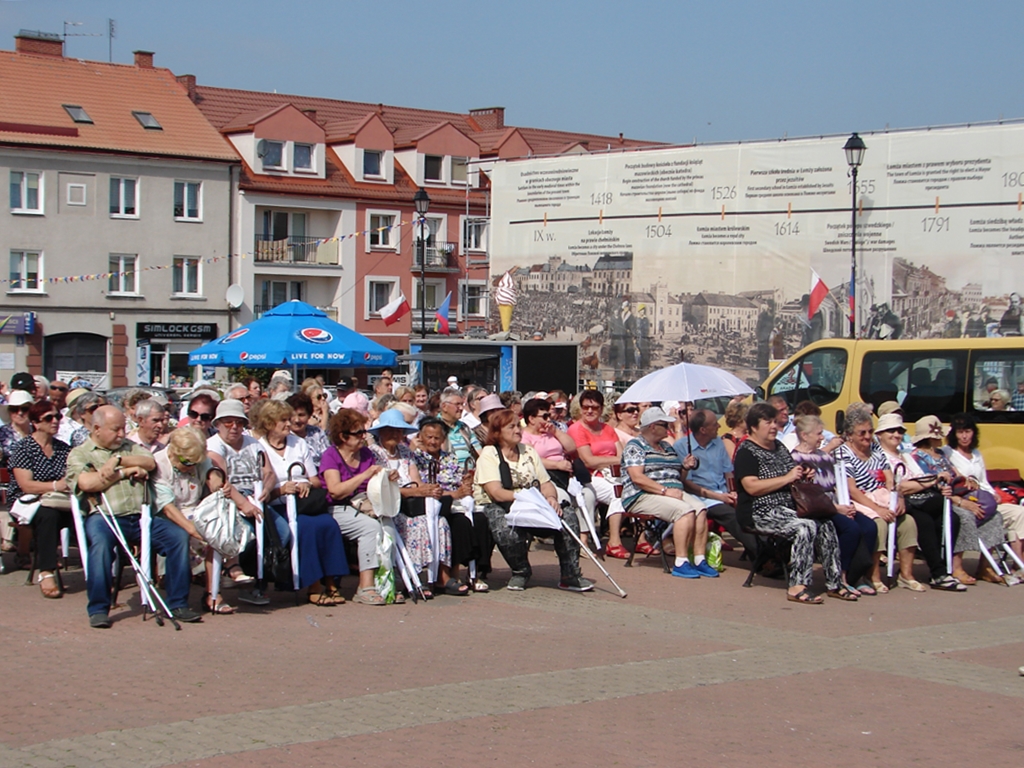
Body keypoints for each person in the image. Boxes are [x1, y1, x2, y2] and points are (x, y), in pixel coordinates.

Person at [66, 406, 201, 627]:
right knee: (100, 545)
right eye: (115, 429)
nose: (121, 434)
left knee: (177, 537)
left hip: (141, 516)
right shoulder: (81, 453)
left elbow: (149, 462)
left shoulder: (129, 447)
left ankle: (178, 603)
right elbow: (86, 483)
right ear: (97, 428)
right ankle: (99, 608)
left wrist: (117, 461)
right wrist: (126, 472)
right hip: (105, 516)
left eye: (123, 429)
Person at [733, 402, 845, 604]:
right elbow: (751, 487)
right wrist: (787, 478)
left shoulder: (780, 447)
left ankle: (835, 583)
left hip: (788, 507)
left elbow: (792, 473)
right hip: (760, 511)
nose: (774, 426)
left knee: (827, 524)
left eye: (775, 422)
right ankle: (797, 586)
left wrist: (803, 473)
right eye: (768, 422)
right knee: (805, 526)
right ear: (754, 427)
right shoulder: (746, 452)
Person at [473, 409, 592, 592]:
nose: (517, 430)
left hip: (532, 504)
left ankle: (570, 574)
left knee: (567, 515)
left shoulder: (528, 451)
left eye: (518, 426)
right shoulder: (489, 454)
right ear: (497, 432)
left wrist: (551, 498)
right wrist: (524, 498)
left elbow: (545, 483)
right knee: (503, 526)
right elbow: (496, 492)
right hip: (503, 504)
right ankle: (521, 571)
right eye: (511, 427)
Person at [257, 400, 349, 605]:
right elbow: (260, 489)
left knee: (328, 525)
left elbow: (315, 479)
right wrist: (281, 489)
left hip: (304, 502)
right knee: (305, 528)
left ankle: (332, 583)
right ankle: (313, 585)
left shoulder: (298, 443)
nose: (289, 424)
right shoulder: (259, 447)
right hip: (277, 504)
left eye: (289, 419)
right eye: (283, 420)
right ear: (270, 423)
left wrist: (305, 484)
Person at [833, 403, 920, 592]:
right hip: (860, 500)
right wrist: (877, 509)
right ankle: (873, 575)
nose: (867, 437)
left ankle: (906, 574)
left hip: (882, 496)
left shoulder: (875, 448)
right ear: (850, 434)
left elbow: (889, 478)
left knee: (908, 522)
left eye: (870, 431)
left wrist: (899, 499)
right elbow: (852, 490)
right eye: (861, 433)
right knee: (879, 524)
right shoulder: (843, 453)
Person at [622, 407, 718, 579]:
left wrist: (685, 467)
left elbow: (677, 476)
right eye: (664, 424)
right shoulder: (635, 446)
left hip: (672, 491)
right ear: (652, 426)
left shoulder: (666, 446)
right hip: (642, 495)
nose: (668, 428)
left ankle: (699, 558)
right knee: (684, 511)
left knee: (700, 509)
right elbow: (637, 478)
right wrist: (665, 491)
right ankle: (681, 562)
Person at [908, 415, 1003, 587]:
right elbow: (926, 484)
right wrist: (958, 501)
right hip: (933, 499)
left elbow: (957, 475)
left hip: (948, 497)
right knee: (963, 516)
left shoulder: (941, 454)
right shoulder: (917, 457)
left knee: (994, 516)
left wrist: (968, 482)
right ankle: (955, 566)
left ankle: (985, 566)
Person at [368, 409, 453, 598]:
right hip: (388, 506)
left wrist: (429, 490)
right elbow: (379, 489)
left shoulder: (406, 452)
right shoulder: (373, 454)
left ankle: (441, 576)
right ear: (380, 432)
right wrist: (415, 491)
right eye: (389, 430)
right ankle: (414, 577)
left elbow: (417, 482)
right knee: (416, 524)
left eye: (398, 431)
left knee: (441, 522)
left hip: (412, 504)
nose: (394, 435)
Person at [876, 413, 963, 591]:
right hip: (898, 502)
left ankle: (942, 570)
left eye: (899, 431)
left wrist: (936, 485)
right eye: (890, 430)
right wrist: (931, 482)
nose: (896, 434)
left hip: (920, 501)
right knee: (924, 520)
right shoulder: (880, 457)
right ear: (880, 434)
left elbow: (921, 479)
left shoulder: (906, 456)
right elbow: (899, 486)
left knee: (951, 518)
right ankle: (938, 572)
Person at [790, 414, 876, 595]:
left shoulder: (824, 456)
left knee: (869, 527)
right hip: (818, 507)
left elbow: (836, 485)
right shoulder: (796, 459)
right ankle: (841, 576)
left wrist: (847, 505)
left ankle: (857, 575)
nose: (822, 438)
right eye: (819, 434)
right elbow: (806, 495)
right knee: (850, 529)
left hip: (836, 502)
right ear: (805, 435)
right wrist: (838, 509)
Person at [319, 408, 393, 606]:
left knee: (390, 525)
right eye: (358, 433)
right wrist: (366, 474)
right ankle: (365, 586)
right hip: (337, 507)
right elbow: (335, 491)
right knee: (369, 528)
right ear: (343, 436)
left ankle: (387, 584)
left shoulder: (366, 454)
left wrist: (387, 477)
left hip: (363, 504)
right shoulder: (330, 456)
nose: (363, 437)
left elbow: (374, 483)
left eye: (364, 432)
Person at [154, 428, 232, 613]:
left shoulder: (196, 457)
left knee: (219, 526)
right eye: (187, 463)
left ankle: (212, 593)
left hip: (194, 509)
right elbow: (167, 508)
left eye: (195, 463)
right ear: (173, 451)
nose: (191, 467)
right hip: (166, 514)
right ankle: (180, 596)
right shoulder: (158, 464)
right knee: (187, 535)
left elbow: (210, 469)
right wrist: (193, 530)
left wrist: (216, 480)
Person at [206, 399, 273, 604]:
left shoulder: (253, 443)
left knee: (281, 533)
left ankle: (257, 582)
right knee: (247, 534)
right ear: (218, 424)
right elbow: (221, 482)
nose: (234, 427)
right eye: (228, 422)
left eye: (239, 422)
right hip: (229, 500)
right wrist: (244, 504)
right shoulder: (214, 446)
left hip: (257, 496)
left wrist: (267, 489)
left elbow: (268, 471)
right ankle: (240, 578)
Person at [945, 412, 1024, 578]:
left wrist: (994, 494)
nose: (964, 436)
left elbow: (984, 481)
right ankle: (961, 565)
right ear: (954, 434)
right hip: (962, 499)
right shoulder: (948, 453)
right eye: (960, 432)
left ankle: (1014, 563)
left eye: (967, 431)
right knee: (981, 516)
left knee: (1018, 513)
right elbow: (954, 482)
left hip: (983, 498)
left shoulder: (976, 454)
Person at [8, 399, 73, 598]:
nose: (55, 421)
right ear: (36, 422)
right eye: (49, 418)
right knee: (48, 515)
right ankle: (46, 572)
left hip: (61, 502)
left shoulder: (63, 449)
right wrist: (55, 486)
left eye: (58, 417)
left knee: (91, 518)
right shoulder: (24, 448)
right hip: (29, 504)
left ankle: (102, 573)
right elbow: (26, 485)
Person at [414, 417, 483, 594]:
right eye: (428, 437)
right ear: (421, 437)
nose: (432, 441)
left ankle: (462, 572)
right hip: (430, 505)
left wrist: (465, 483)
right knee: (451, 520)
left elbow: (459, 479)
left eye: (437, 438)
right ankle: (442, 576)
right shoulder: (417, 459)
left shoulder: (449, 458)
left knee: (471, 521)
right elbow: (424, 488)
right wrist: (453, 494)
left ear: (443, 439)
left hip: (453, 503)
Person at [676, 409, 758, 558]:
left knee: (753, 506)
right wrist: (719, 497)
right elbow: (688, 485)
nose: (719, 427)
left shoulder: (718, 442)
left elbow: (728, 471)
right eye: (715, 424)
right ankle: (762, 552)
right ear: (703, 430)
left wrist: (733, 491)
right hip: (702, 497)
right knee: (731, 515)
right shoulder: (682, 447)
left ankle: (764, 549)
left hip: (722, 491)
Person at [567, 390, 627, 556]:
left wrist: (610, 460)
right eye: (586, 407)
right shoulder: (576, 430)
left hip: (612, 475)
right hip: (587, 477)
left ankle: (641, 538)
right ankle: (614, 541)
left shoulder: (608, 429)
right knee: (618, 493)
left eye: (594, 407)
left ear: (601, 409)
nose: (589, 411)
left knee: (631, 490)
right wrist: (614, 460)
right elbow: (588, 461)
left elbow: (622, 455)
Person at [438, 388, 481, 468]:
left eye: (462, 404)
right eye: (457, 404)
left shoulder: (465, 427)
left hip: (470, 472)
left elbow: (479, 451)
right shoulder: (435, 427)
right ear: (444, 406)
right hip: (446, 472)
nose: (461, 408)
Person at [287, 392, 330, 465]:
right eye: (292, 415)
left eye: (301, 415)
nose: (297, 420)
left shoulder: (317, 432)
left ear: (309, 415)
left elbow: (328, 457)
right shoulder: (285, 436)